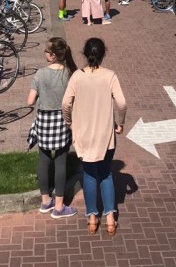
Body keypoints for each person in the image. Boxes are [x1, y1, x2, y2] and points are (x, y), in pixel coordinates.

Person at [62, 38, 127, 237]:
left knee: (89, 175)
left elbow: (65, 103)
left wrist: (69, 122)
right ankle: (110, 219)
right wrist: (120, 123)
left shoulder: (77, 77)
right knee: (106, 174)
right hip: (105, 135)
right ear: (103, 54)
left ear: (85, 53)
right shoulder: (110, 76)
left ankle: (92, 218)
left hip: (84, 135)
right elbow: (122, 103)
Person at [27, 37, 78, 219]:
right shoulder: (70, 74)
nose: (45, 53)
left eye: (46, 51)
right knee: (61, 162)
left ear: (53, 55)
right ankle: (59, 206)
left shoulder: (40, 74)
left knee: (44, 160)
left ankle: (45, 201)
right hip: (62, 120)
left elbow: (30, 100)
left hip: (44, 120)